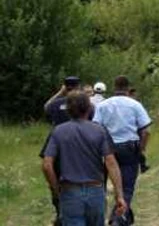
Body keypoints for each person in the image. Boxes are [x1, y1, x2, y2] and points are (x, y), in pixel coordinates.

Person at [41, 90, 127, 226]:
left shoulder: (58, 131)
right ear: (89, 108)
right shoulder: (100, 130)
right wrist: (119, 195)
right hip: (95, 191)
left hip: (70, 191)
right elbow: (111, 163)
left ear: (68, 110)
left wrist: (56, 188)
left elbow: (46, 165)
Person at [93, 76, 152, 225]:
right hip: (128, 148)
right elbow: (146, 130)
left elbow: (95, 128)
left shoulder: (103, 105)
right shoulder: (135, 105)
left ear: (114, 87)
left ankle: (102, 216)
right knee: (126, 187)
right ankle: (119, 219)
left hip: (107, 148)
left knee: (102, 185)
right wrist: (141, 149)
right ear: (127, 88)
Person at [41, 76, 81, 226]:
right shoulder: (81, 103)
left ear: (65, 86)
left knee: (55, 178)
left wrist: (60, 92)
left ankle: (60, 212)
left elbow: (46, 107)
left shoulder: (56, 104)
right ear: (78, 86)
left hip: (56, 143)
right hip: (76, 144)